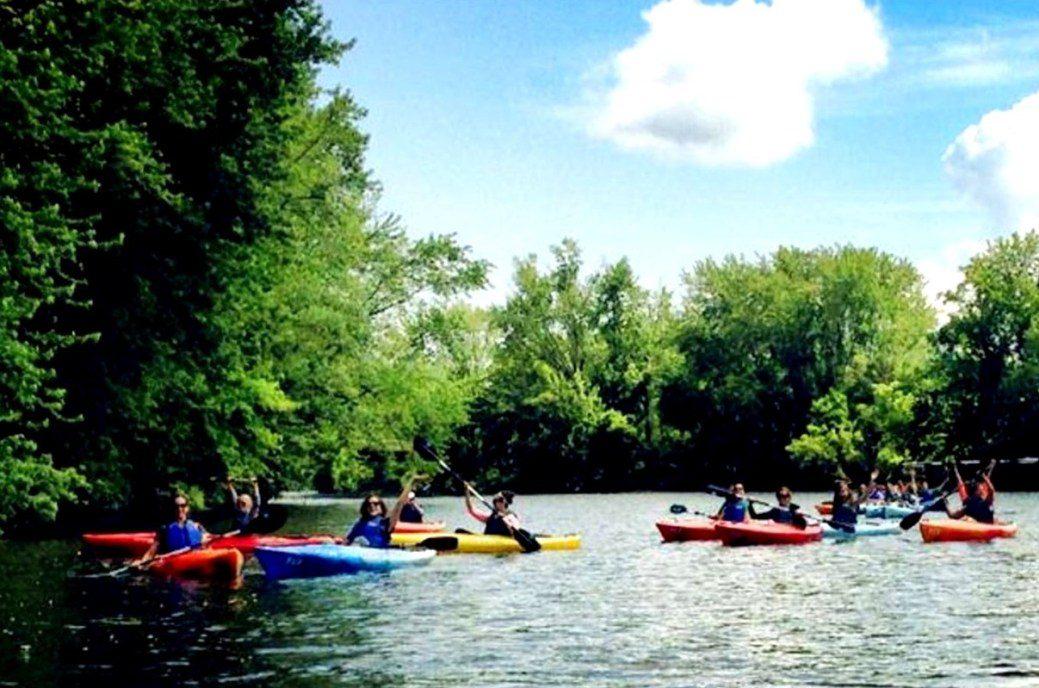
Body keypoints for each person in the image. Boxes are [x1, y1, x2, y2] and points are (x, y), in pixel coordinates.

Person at [345, 475, 417, 548]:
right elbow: (347, 541)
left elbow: (399, 504)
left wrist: (411, 483)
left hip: (382, 553)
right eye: (369, 504)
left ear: (382, 508)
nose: (372, 506)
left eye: (376, 504)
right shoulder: (360, 523)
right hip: (365, 552)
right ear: (365, 507)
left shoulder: (386, 523)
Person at [134, 494, 210, 564]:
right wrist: (142, 562)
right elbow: (152, 551)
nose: (179, 509)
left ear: (187, 508)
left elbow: (209, 540)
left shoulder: (197, 526)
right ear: (172, 509)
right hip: (174, 563)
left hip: (196, 560)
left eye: (182, 506)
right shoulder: (164, 529)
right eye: (176, 506)